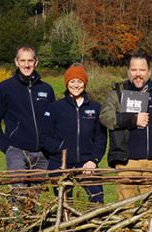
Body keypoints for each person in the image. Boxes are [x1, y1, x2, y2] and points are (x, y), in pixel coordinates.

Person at [100, 50, 152, 201]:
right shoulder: (118, 92)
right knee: (126, 206)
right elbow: (105, 117)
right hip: (127, 161)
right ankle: (126, 225)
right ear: (128, 71)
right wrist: (132, 119)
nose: (138, 74)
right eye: (134, 70)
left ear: (149, 71)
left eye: (142, 70)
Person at [40, 64, 106, 205]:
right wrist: (60, 148)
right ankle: (65, 226)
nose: (76, 85)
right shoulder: (55, 107)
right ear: (67, 83)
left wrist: (93, 160)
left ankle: (92, 226)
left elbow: (101, 138)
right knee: (64, 203)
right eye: (72, 81)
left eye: (80, 81)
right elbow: (44, 136)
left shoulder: (94, 107)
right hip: (61, 163)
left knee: (97, 199)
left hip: (86, 163)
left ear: (85, 83)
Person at [0, 45, 55, 172]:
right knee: (19, 191)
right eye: (23, 61)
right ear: (16, 62)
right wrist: (7, 147)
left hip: (42, 155)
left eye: (30, 61)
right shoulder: (5, 88)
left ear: (36, 62)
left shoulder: (46, 89)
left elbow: (54, 121)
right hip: (17, 152)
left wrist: (50, 145)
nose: (27, 65)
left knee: (37, 192)